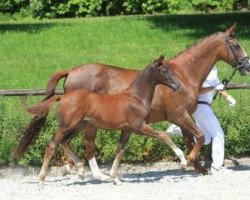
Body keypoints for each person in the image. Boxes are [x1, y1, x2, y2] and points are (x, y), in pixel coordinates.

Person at [167, 66, 236, 174]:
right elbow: (199, 90)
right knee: (218, 135)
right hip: (202, 107)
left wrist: (228, 97)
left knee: (206, 138)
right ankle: (217, 168)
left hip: (202, 108)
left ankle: (179, 130)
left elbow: (219, 88)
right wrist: (213, 87)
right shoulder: (203, 71)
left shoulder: (212, 71)